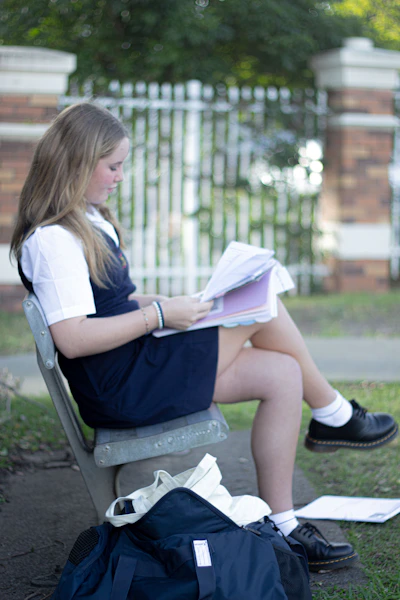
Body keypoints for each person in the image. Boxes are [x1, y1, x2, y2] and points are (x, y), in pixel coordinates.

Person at [11, 102, 398, 573]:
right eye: (113, 166)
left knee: (281, 372)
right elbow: (72, 338)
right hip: (123, 386)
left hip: (136, 367)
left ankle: (284, 522)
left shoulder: (87, 220)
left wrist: (180, 304)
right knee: (264, 306)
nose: (119, 176)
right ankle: (334, 415)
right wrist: (159, 314)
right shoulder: (53, 240)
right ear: (75, 162)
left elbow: (112, 302)